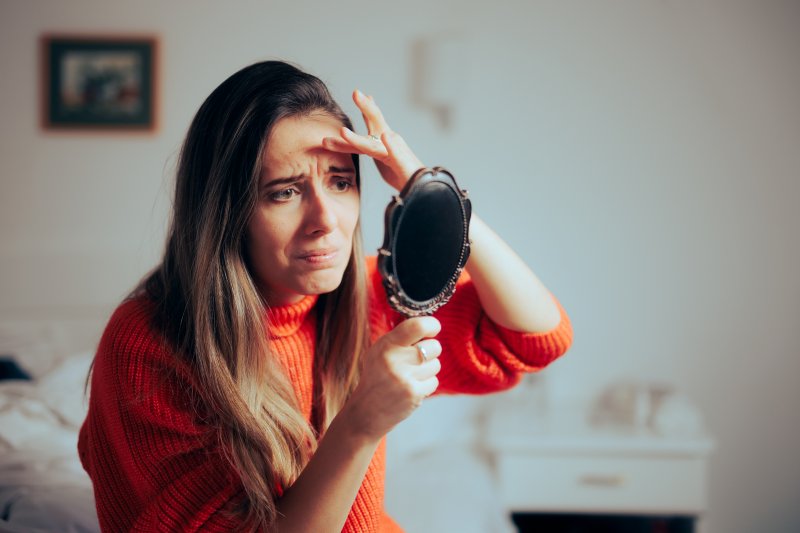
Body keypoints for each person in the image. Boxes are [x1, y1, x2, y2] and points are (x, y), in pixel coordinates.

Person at [78, 60, 573, 532]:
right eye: (284, 192)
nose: (326, 222)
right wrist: (360, 424)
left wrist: (429, 189)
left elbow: (538, 338)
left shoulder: (370, 295)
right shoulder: (149, 345)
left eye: (340, 183)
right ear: (226, 212)